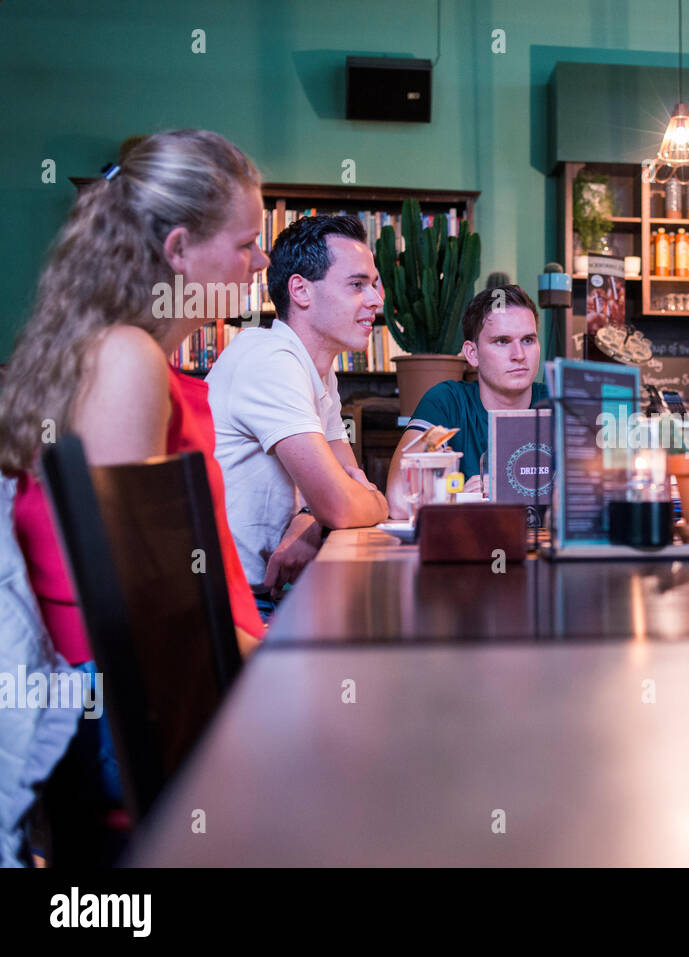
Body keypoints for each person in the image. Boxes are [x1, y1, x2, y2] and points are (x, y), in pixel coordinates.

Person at [0, 129, 271, 861]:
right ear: (179, 250)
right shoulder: (127, 361)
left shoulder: (113, 352)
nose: (261, 262)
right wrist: (282, 672)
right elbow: (150, 619)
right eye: (247, 243)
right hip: (128, 715)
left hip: (146, 694)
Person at [207, 214, 389, 616]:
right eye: (358, 285)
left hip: (269, 596)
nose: (378, 300)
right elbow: (345, 504)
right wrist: (353, 505)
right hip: (231, 607)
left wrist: (311, 519)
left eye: (374, 285)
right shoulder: (271, 359)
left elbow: (344, 487)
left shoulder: (316, 368)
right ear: (301, 290)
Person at [385, 284, 547, 517]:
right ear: (472, 354)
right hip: (469, 547)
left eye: (528, 340)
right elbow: (400, 500)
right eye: (502, 341)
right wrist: (461, 498)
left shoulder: (558, 402)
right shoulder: (446, 401)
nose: (519, 354)